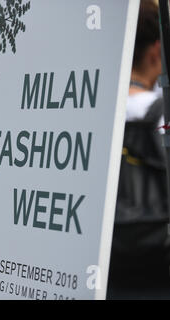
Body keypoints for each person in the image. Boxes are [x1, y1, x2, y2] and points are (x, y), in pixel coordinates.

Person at [107, 0, 170, 300]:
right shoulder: (161, 115)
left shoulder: (100, 111)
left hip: (109, 266)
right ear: (156, 50)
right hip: (157, 267)